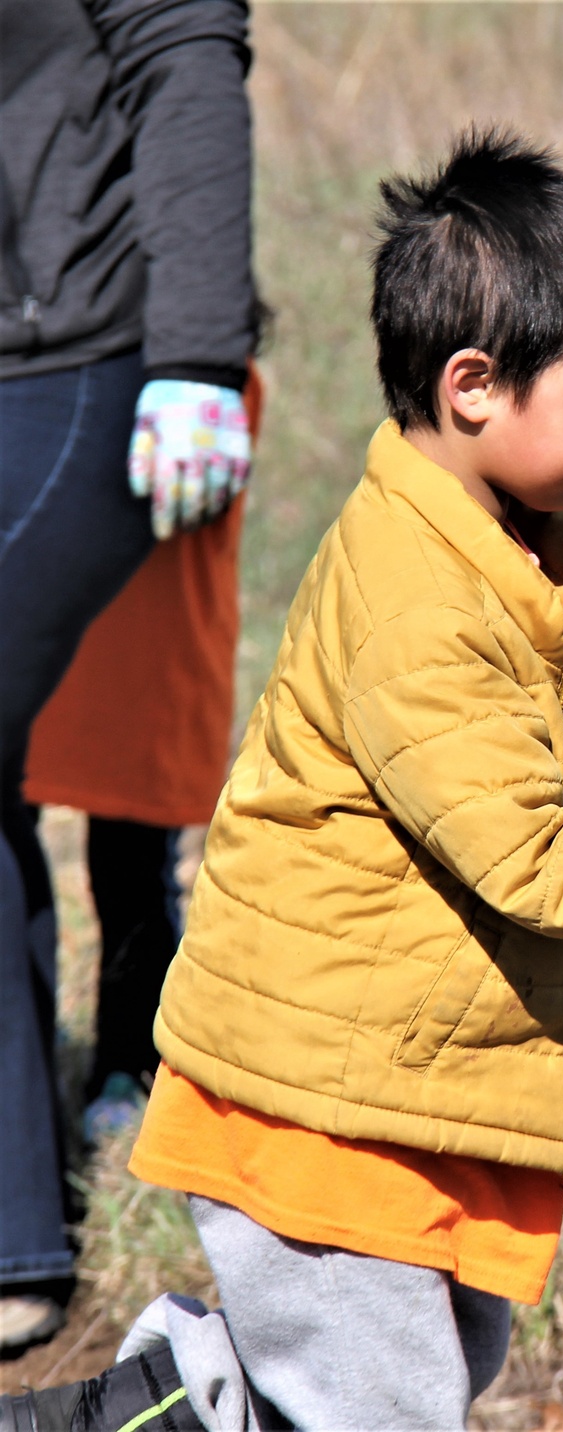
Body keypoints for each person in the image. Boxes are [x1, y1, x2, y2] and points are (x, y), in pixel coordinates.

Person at [0, 129, 563, 1432]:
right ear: (475, 386)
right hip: (318, 1110)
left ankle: (168, 1403)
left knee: (420, 1365)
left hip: (385, 1084)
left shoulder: (461, 540)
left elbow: (540, 713)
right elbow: (534, 857)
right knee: (385, 1408)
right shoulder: (422, 601)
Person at [0, 0, 257, 1354]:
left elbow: (185, 56)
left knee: (137, 756)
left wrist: (198, 354)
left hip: (117, 366)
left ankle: (131, 1052)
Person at [23, 364, 264, 1143]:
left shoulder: (206, 377)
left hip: (148, 649)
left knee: (130, 870)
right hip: (43, 630)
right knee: (20, 861)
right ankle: (34, 1057)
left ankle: (126, 1062)